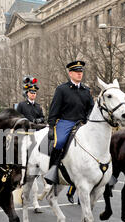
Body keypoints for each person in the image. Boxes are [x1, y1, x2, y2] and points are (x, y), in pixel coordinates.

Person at [44, 60, 94, 203]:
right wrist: (52, 127)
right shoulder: (62, 89)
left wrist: (89, 119)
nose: (80, 74)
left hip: (82, 123)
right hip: (66, 121)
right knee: (58, 143)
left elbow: (91, 107)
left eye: (81, 72)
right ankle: (52, 171)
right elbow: (54, 110)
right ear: (70, 73)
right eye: (77, 72)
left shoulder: (86, 90)